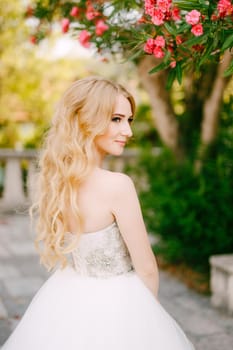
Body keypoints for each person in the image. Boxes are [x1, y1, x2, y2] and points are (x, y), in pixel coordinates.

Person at [1, 76, 194, 349]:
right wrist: (152, 320)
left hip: (68, 297)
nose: (127, 131)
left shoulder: (59, 183)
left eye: (129, 120)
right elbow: (147, 268)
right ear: (86, 120)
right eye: (116, 119)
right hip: (120, 299)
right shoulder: (118, 185)